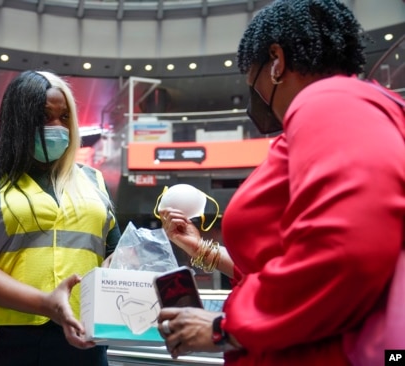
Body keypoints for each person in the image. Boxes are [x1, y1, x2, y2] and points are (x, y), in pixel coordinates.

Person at [156, 0, 405, 365]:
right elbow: (286, 257)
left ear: (276, 61)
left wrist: (226, 328)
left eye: (250, 78)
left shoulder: (329, 101)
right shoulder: (348, 109)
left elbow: (347, 248)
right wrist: (203, 250)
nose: (253, 98)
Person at [0, 70, 121, 366]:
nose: (57, 127)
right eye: (44, 117)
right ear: (18, 120)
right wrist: (46, 303)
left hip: (80, 341)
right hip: (2, 341)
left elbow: (114, 253)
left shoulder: (93, 180)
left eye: (65, 117)